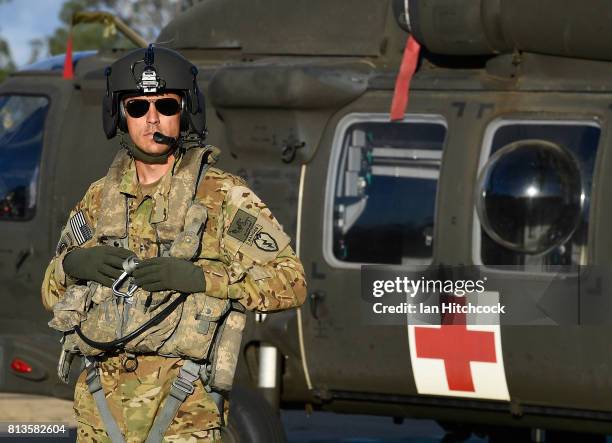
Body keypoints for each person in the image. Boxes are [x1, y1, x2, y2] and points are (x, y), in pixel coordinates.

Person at [40, 44, 307, 443]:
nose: (152, 120)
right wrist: (73, 265)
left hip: (185, 420)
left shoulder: (222, 196)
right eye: (137, 108)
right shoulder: (99, 198)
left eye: (166, 106)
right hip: (100, 419)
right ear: (119, 114)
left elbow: (291, 282)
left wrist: (204, 280)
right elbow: (50, 293)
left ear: (185, 111)